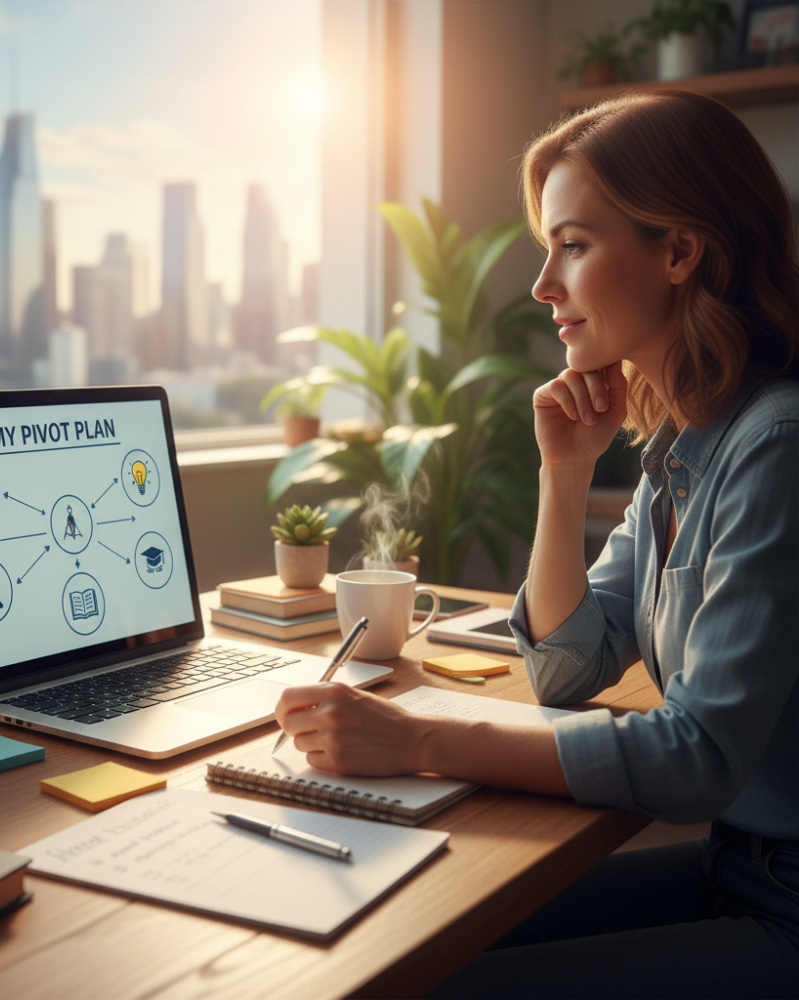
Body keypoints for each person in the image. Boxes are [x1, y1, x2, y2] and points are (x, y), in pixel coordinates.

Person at [274, 89, 799, 998]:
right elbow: (565, 669)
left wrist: (419, 741)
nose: (542, 285)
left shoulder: (776, 445)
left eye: (574, 245)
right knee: (411, 942)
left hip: (785, 908)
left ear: (679, 250)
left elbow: (696, 759)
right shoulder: (686, 446)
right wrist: (565, 475)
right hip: (737, 869)